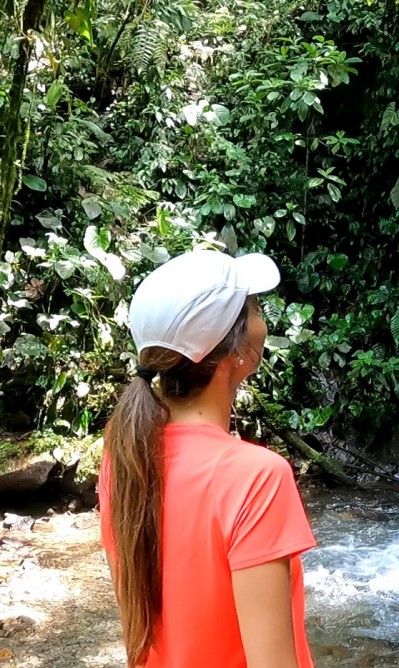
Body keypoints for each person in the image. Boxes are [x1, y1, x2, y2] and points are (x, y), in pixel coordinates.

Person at [98, 250, 317, 668]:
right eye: (254, 308)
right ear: (235, 350)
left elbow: (140, 636)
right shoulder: (257, 477)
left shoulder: (123, 457)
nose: (261, 320)